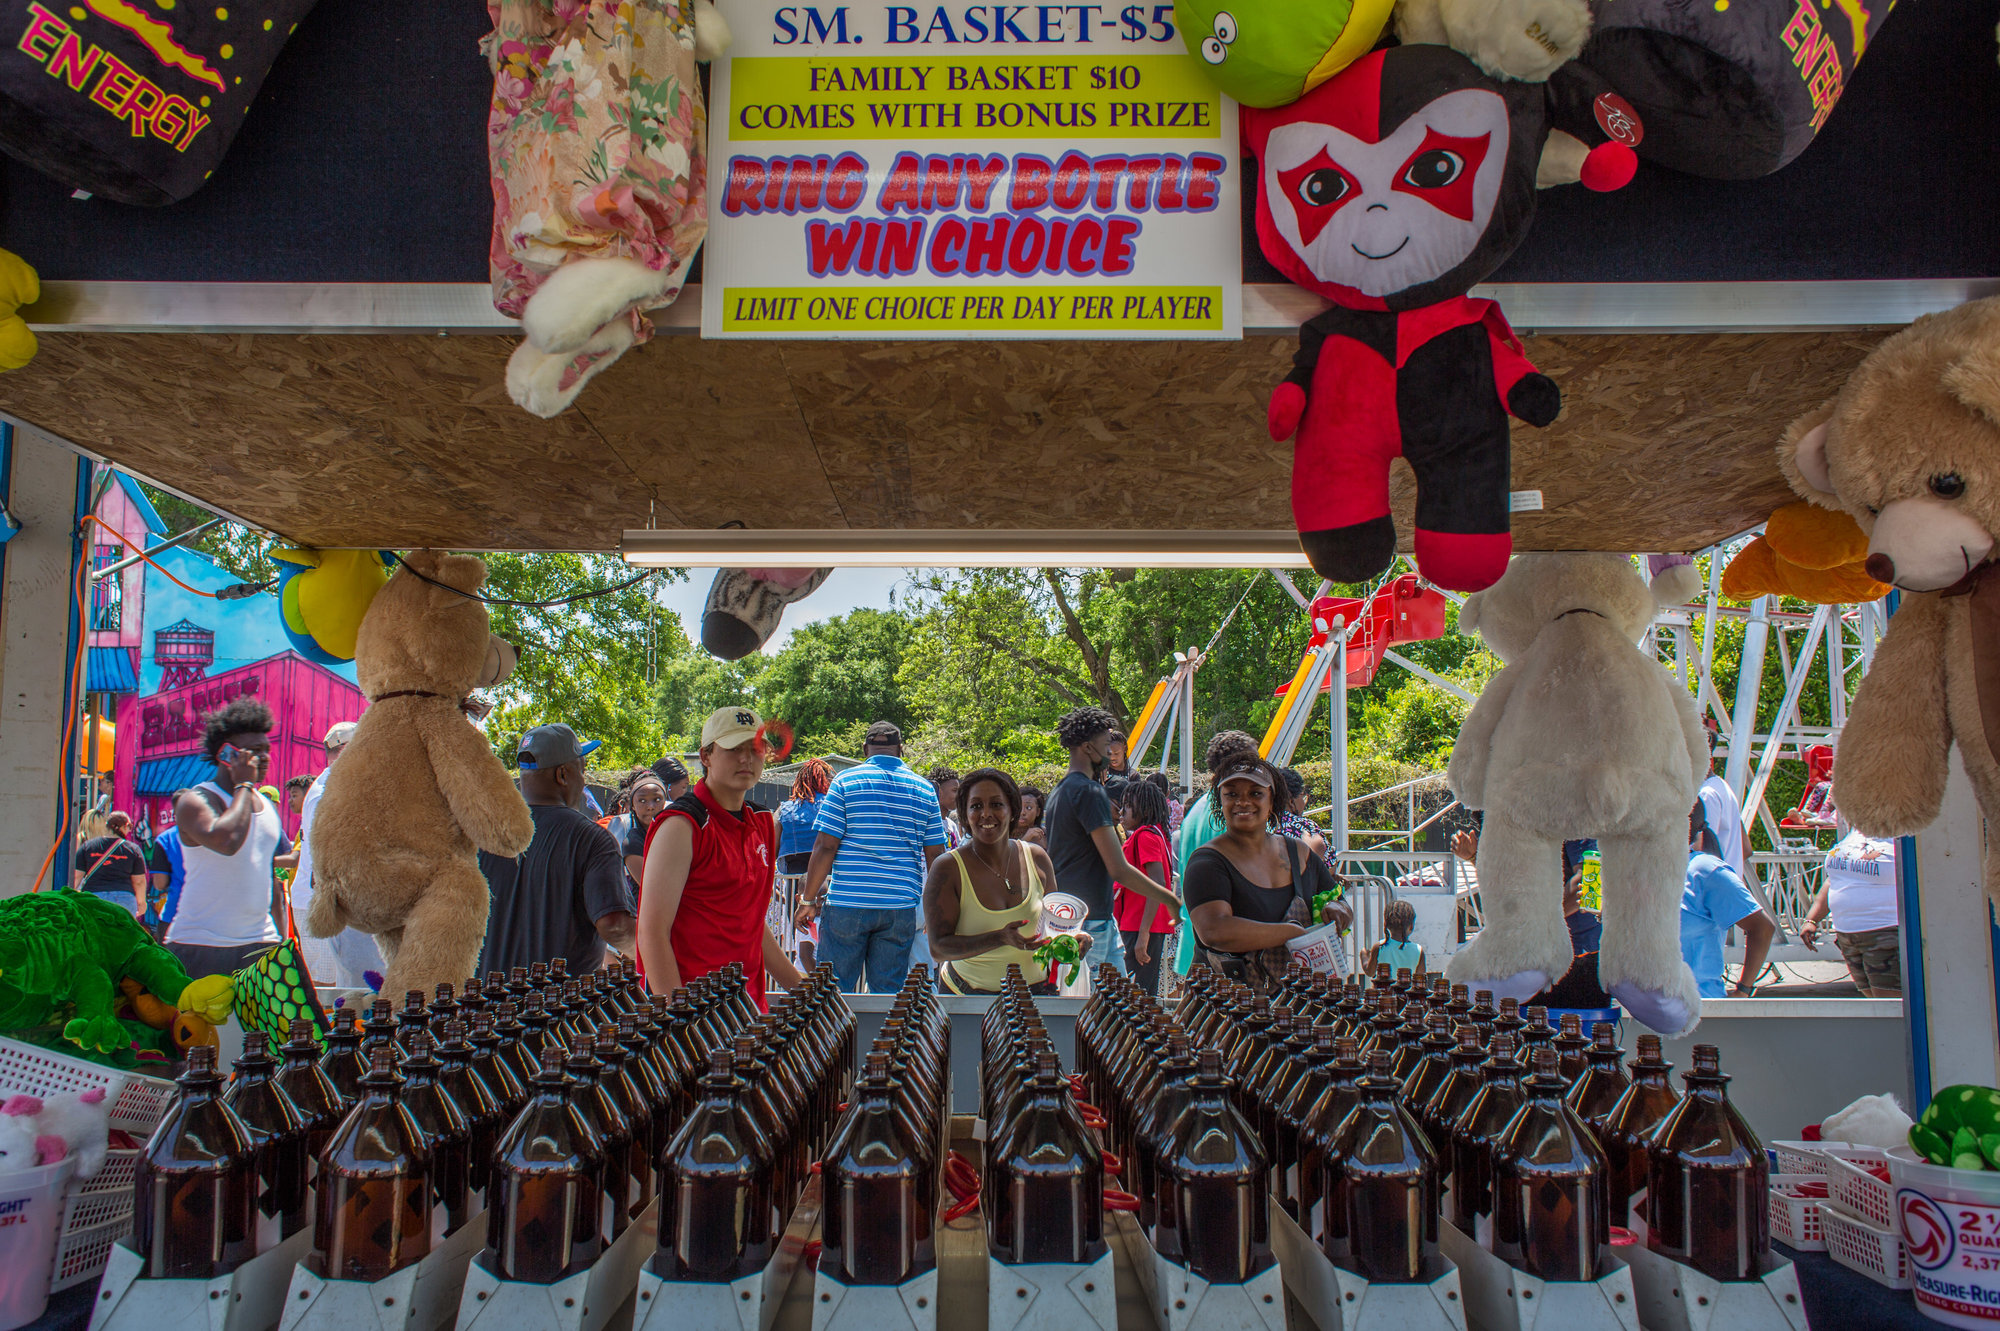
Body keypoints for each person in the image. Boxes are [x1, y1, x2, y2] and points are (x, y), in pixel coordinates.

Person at [639, 706, 804, 1008]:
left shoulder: (763, 821)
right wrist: (679, 1021)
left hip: (749, 1010)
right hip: (696, 1015)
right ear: (705, 756)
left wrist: (803, 989)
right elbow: (651, 933)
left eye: (755, 749)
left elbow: (752, 923)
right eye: (733, 749)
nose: (746, 759)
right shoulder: (682, 825)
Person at [797, 721, 948, 993]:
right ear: (900, 750)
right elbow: (937, 856)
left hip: (847, 903)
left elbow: (825, 847)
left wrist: (808, 900)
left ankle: (835, 1037)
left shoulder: (845, 781)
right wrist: (938, 912)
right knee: (888, 995)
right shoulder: (925, 790)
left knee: (833, 993)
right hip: (900, 907)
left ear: (865, 748)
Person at [478, 723, 636, 977]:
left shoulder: (484, 836)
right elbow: (615, 926)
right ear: (563, 775)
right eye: (582, 770)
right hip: (558, 1007)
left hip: (487, 1005)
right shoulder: (591, 839)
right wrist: (651, 953)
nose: (584, 781)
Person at [1181, 754, 1347, 993]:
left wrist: (1339, 911)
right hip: (1227, 1006)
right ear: (1220, 802)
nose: (1243, 802)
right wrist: (1290, 933)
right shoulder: (1207, 862)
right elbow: (1214, 931)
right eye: (1232, 794)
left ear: (1273, 801)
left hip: (1292, 1005)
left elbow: (1337, 900)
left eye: (1255, 793)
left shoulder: (1299, 852)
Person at [924, 767, 1086, 995]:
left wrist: (1072, 941)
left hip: (1036, 998)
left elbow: (1052, 930)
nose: (986, 814)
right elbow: (938, 948)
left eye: (997, 804)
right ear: (965, 815)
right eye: (976, 806)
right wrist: (999, 938)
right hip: (967, 1000)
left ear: (1012, 811)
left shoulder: (1037, 858)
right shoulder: (948, 868)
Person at [1044, 707, 1180, 974]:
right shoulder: (1090, 792)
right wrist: (1169, 899)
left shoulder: (1059, 792)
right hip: (1090, 923)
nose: (1110, 752)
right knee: (1098, 1012)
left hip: (1078, 918)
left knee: (1113, 1006)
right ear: (1087, 747)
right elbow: (1118, 867)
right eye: (1105, 744)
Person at [166, 698, 290, 977]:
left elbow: (268, 878)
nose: (265, 757)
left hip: (261, 943)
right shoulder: (194, 800)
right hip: (200, 945)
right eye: (254, 751)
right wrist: (244, 783)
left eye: (267, 749)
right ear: (226, 755)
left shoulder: (266, 806)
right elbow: (226, 841)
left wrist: (282, 943)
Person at [292, 721, 384, 989]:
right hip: (321, 906)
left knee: (344, 983)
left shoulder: (338, 786)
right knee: (332, 987)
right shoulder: (324, 794)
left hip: (332, 903)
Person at [1168, 730, 1261, 978]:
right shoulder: (1238, 814)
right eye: (1254, 763)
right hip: (1230, 953)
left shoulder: (1198, 809)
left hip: (1195, 946)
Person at [1682, 798, 1776, 998]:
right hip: (1636, 1011)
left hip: (1697, 1009)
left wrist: (1743, 989)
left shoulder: (1704, 870)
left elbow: (1762, 928)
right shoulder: (1636, 871)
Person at [1800, 827, 1902, 997]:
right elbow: (1834, 878)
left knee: (1890, 1008)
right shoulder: (1856, 830)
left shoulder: (1904, 834)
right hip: (1848, 936)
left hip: (1886, 931)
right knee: (1874, 1003)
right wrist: (1811, 919)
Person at [1115, 781, 1177, 996]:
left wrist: (1143, 935)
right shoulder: (1156, 833)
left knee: (1137, 997)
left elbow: (1157, 883)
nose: (1121, 812)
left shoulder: (1145, 836)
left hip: (1139, 925)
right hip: (1140, 924)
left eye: (1127, 806)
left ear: (1144, 808)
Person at [1698, 720, 1753, 887]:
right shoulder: (1722, 788)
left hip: (1711, 895)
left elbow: (1703, 856)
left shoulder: (1706, 795)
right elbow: (1746, 848)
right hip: (1728, 889)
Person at [75, 810, 147, 918]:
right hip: (124, 899)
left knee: (94, 932)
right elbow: (139, 881)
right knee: (122, 934)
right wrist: (141, 903)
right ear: (125, 827)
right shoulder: (133, 850)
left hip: (93, 897)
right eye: (130, 827)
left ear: (106, 826)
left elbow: (77, 876)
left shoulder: (87, 847)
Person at [619, 770, 671, 898]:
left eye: (657, 799)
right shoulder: (632, 843)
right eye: (642, 801)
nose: (650, 806)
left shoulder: (673, 835)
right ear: (633, 806)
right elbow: (654, 889)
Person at [1276, 767, 1330, 863]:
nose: (1304, 802)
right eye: (1303, 796)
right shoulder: (1306, 827)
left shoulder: (1259, 825)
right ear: (1291, 801)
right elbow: (1330, 864)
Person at [1367, 899, 1426, 976]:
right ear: (1411, 926)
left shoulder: (1379, 947)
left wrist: (1364, 957)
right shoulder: (1418, 950)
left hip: (1383, 988)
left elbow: (1370, 972)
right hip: (1407, 988)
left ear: (1386, 924)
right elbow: (1420, 977)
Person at [929, 766, 964, 848]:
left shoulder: (952, 825)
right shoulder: (929, 823)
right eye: (955, 790)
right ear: (939, 792)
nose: (959, 795)